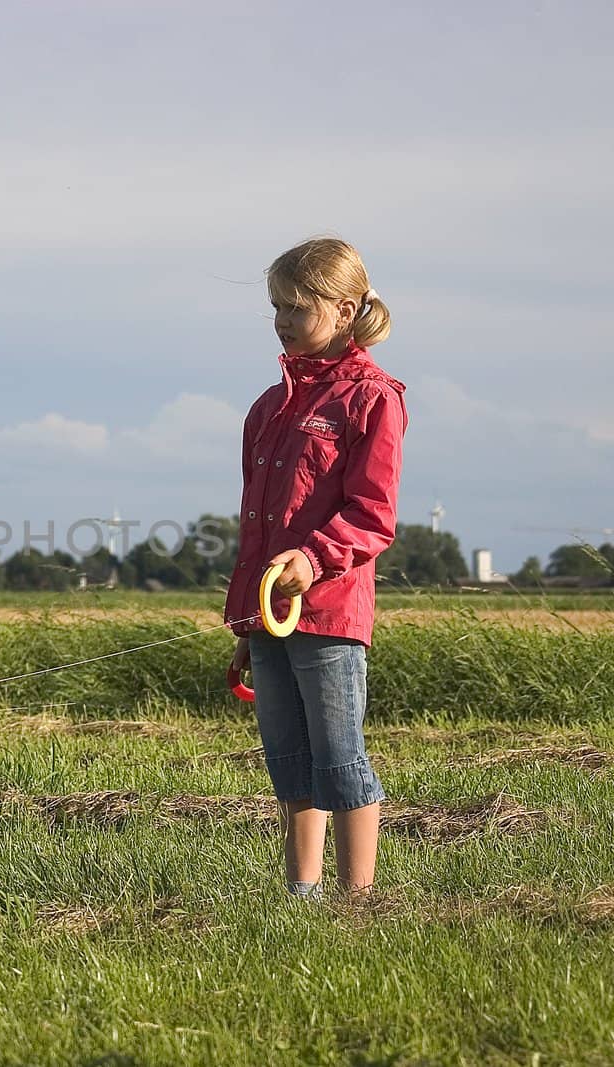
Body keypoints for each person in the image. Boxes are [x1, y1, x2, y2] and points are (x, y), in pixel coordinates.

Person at [224, 237, 406, 899]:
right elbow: (255, 526)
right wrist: (248, 618)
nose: (282, 320)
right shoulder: (266, 411)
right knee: (289, 761)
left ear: (345, 308)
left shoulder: (374, 400)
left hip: (331, 616)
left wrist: (313, 557)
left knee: (338, 758)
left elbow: (372, 513)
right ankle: (301, 895)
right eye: (276, 306)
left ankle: (357, 899)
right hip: (271, 615)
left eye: (297, 307)